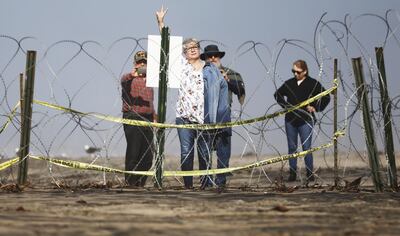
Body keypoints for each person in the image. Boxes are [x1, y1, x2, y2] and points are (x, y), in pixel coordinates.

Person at [156, 7, 230, 189]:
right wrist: (160, 23)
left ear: (199, 50)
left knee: (204, 153)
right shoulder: (181, 66)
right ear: (184, 53)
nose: (192, 50)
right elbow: (168, 47)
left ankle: (205, 184)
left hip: (205, 117)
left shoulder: (210, 68)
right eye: (188, 48)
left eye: (195, 47)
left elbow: (221, 89)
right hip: (184, 116)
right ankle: (188, 185)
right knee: (186, 152)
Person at [274, 60, 330, 182]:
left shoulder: (312, 83)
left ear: (305, 71)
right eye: (293, 71)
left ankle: (310, 174)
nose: (295, 74)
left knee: (306, 147)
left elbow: (326, 96)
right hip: (290, 120)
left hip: (306, 120)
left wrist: (315, 106)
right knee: (292, 148)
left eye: (298, 72)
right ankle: (292, 174)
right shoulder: (289, 83)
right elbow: (277, 94)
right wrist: (286, 106)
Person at [200, 45, 245, 188]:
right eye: (209, 56)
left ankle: (221, 182)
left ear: (220, 57)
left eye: (216, 56)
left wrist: (227, 81)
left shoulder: (231, 73)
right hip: (205, 116)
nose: (213, 58)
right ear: (205, 59)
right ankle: (206, 182)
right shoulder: (201, 73)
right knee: (205, 151)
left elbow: (240, 91)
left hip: (224, 115)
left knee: (223, 151)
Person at [121, 50, 156, 187]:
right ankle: (131, 182)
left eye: (145, 62)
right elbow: (123, 79)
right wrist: (132, 74)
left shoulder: (150, 81)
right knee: (134, 152)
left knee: (147, 155)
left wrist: (154, 117)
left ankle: (141, 181)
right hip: (133, 117)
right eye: (139, 62)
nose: (142, 65)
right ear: (135, 64)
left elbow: (151, 102)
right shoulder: (129, 79)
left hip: (147, 118)